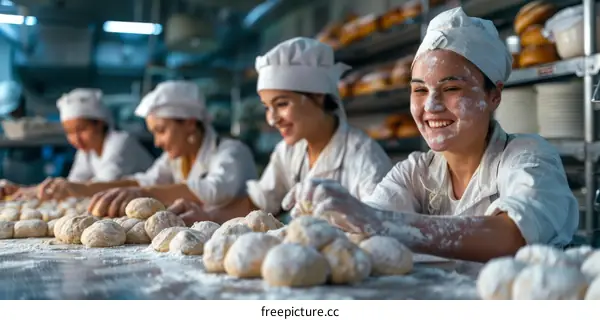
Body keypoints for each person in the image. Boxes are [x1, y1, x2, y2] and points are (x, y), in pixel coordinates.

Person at [282, 8, 579, 263]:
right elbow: (365, 226)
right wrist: (336, 215)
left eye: (451, 89)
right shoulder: (415, 173)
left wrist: (377, 221)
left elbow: (511, 235)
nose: (431, 106)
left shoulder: (528, 157)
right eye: (420, 90)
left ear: (494, 96)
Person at [169, 37, 393, 223]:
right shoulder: (288, 151)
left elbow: (380, 226)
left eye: (282, 104)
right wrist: (206, 216)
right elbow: (258, 204)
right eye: (267, 107)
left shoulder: (364, 157)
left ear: (318, 96)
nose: (272, 119)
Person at [41, 81, 258, 225]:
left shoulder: (231, 152)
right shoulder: (175, 158)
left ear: (190, 124)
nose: (157, 142)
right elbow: (142, 181)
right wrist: (80, 188)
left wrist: (148, 194)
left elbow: (215, 190)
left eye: (161, 131)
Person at [0, 81, 51, 197]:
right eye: (10, 112)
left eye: (15, 110)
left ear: (22, 103)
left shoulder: (37, 121)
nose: (14, 114)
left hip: (35, 168)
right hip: (11, 168)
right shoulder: (4, 124)